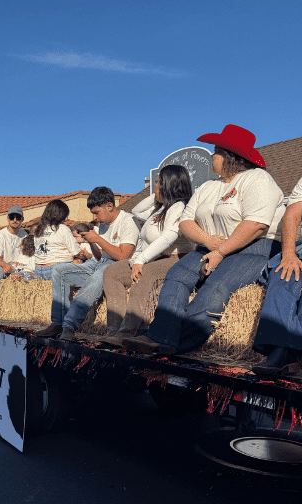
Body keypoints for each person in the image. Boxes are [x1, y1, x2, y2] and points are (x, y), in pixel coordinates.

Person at [122, 124, 285, 356]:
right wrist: (210, 242)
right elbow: (186, 221)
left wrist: (221, 251)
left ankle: (179, 343)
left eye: (216, 150)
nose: (212, 155)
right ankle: (160, 336)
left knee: (217, 285)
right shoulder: (208, 186)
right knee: (177, 276)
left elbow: (257, 224)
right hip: (209, 246)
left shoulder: (258, 179)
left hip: (256, 247)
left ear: (231, 157)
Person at [97, 165, 193, 347]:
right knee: (112, 272)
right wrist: (157, 195)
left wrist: (140, 260)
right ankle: (114, 331)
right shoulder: (160, 208)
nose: (154, 184)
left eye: (158, 182)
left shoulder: (179, 207)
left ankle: (128, 332)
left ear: (168, 184)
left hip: (176, 258)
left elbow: (168, 237)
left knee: (143, 275)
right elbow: (137, 211)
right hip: (156, 258)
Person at [37, 186, 139, 341]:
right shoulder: (104, 224)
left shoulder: (128, 221)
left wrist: (97, 239)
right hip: (100, 262)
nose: (94, 217)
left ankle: (69, 325)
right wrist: (91, 242)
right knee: (59, 270)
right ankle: (57, 322)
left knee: (101, 272)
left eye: (96, 212)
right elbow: (100, 257)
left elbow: (123, 256)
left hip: (119, 266)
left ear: (109, 206)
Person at [252, 164, 302, 376]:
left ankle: (290, 352)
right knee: (283, 272)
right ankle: (280, 349)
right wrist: (288, 252)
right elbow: (291, 216)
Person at [32, 199, 81, 280]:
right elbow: (76, 252)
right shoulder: (62, 228)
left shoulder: (39, 230)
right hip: (56, 269)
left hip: (38, 270)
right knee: (83, 264)